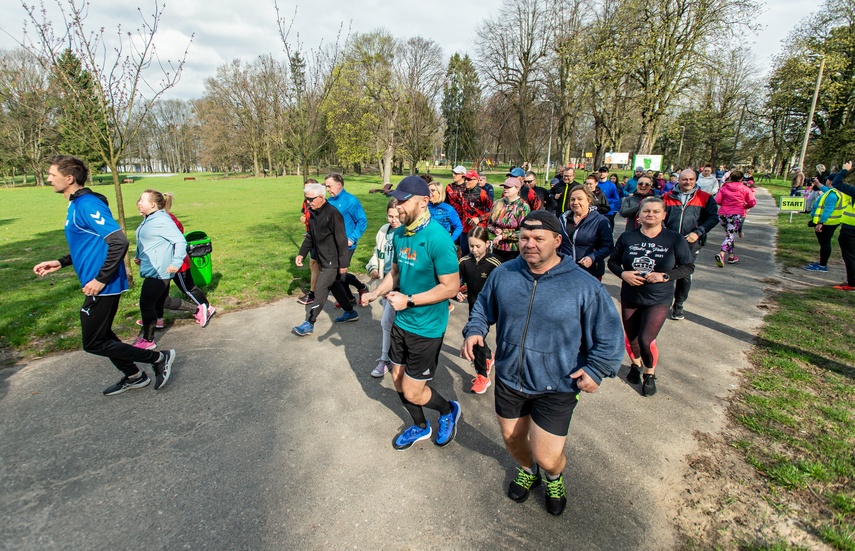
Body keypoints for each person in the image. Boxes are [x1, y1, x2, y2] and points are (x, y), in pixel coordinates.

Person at [461, 210, 623, 516]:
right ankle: (528, 471)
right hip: (510, 377)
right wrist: (474, 331)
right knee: (513, 440)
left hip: (557, 384)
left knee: (548, 456)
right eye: (524, 237)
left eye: (538, 238)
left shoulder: (583, 286)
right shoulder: (504, 274)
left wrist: (597, 369)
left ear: (557, 241)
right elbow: (482, 307)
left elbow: (610, 335)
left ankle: (551, 476)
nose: (529, 244)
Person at [33, 155, 174, 395]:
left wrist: (100, 279)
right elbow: (88, 243)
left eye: (51, 175)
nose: (48, 179)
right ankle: (134, 375)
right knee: (103, 334)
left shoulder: (87, 204)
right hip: (96, 281)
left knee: (94, 342)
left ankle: (158, 358)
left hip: (104, 284)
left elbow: (118, 241)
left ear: (69, 178)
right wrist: (61, 261)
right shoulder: (76, 204)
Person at [361, 176, 461, 450]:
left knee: (413, 390)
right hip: (402, 321)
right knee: (397, 379)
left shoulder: (438, 239)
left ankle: (448, 410)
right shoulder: (400, 233)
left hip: (427, 327)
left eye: (404, 201)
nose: (399, 206)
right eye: (398, 199)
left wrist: (410, 300)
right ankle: (420, 427)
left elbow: (450, 287)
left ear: (424, 201)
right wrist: (375, 292)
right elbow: (395, 273)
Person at [608, 196, 695, 396]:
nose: (651, 214)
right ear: (639, 215)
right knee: (632, 337)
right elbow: (612, 261)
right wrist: (623, 274)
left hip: (658, 298)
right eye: (646, 211)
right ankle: (635, 365)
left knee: (647, 339)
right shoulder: (628, 237)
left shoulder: (674, 239)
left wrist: (665, 276)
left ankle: (649, 373)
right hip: (630, 295)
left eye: (656, 211)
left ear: (664, 215)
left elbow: (688, 267)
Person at [293, 183, 358, 336]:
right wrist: (301, 253)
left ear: (321, 198)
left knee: (320, 290)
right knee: (335, 286)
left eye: (311, 199)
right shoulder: (314, 213)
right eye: (306, 199)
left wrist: (343, 264)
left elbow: (342, 240)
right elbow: (311, 236)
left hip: (332, 262)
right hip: (322, 260)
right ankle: (350, 312)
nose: (308, 202)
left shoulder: (332, 213)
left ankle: (309, 323)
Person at [132, 189, 188, 350]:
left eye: (141, 200)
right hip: (154, 267)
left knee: (146, 304)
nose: (138, 203)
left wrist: (176, 263)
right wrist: (140, 257)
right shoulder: (150, 219)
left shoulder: (162, 220)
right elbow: (149, 241)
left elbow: (180, 242)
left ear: (152, 204)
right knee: (164, 301)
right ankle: (199, 308)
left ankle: (148, 340)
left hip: (160, 270)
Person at [662, 169, 719, 320]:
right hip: (670, 240)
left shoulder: (705, 198)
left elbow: (713, 218)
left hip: (691, 241)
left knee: (684, 272)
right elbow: (659, 215)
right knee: (665, 270)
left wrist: (698, 232)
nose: (688, 182)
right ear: (678, 180)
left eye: (691, 179)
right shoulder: (667, 197)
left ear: (695, 180)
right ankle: (663, 303)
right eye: (684, 179)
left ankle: (679, 305)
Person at [456, 226, 501, 394]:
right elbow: (455, 283)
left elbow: (502, 287)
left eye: (478, 246)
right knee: (475, 338)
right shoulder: (464, 262)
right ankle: (486, 363)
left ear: (487, 244)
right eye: (471, 246)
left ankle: (483, 372)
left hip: (492, 307)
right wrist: (456, 294)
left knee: (475, 339)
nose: (474, 250)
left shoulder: (495, 264)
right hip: (474, 307)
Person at [161, 193, 216, 327]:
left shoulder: (167, 220)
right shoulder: (168, 217)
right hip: (168, 261)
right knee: (161, 292)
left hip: (177, 262)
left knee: (188, 288)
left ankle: (206, 308)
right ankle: (156, 319)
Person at [365, 199, 402, 377]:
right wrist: (372, 267)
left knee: (387, 322)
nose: (393, 220)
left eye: (396, 216)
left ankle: (386, 359)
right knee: (389, 323)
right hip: (385, 284)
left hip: (401, 286)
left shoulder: (406, 234)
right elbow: (376, 253)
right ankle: (387, 359)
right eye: (390, 216)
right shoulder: (383, 231)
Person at [325, 172, 368, 306]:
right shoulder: (329, 201)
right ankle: (351, 296)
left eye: (329, 186)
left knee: (339, 275)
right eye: (326, 186)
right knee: (337, 274)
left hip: (347, 245)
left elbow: (362, 221)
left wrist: (352, 238)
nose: (328, 189)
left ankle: (357, 291)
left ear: (339, 185)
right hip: (333, 245)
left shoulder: (351, 201)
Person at [558, 186, 613, 281]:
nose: (575, 202)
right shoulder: (563, 219)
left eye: (580, 199)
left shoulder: (600, 220)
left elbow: (608, 246)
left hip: (590, 272)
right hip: (566, 270)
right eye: (572, 199)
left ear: (589, 201)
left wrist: (592, 257)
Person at [805, 173, 847, 273]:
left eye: (828, 180)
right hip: (833, 222)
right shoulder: (837, 192)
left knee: (825, 243)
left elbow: (828, 209)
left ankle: (822, 265)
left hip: (827, 223)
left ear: (830, 182)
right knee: (824, 243)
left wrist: (820, 223)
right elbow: (825, 190)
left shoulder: (832, 195)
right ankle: (821, 262)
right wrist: (817, 183)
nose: (826, 181)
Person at [714, 170, 756, 267]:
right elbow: (752, 202)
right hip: (736, 214)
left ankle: (731, 256)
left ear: (731, 178)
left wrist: (725, 204)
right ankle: (722, 253)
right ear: (742, 178)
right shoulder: (745, 189)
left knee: (729, 234)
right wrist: (744, 206)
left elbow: (717, 200)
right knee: (730, 235)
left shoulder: (724, 188)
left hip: (723, 214)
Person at [448, 169, 493, 256]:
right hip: (464, 228)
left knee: (478, 254)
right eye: (465, 179)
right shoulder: (463, 193)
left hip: (478, 229)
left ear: (476, 180)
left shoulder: (482, 193)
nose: (466, 181)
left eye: (469, 179)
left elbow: (493, 210)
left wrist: (479, 218)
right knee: (464, 253)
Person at [487, 177, 531, 263]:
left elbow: (524, 231)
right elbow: (489, 224)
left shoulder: (523, 206)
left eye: (509, 187)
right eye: (504, 187)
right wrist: (495, 230)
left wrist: (503, 235)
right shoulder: (497, 203)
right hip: (497, 248)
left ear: (517, 189)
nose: (505, 189)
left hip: (514, 250)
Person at [831, 161, 855, 291]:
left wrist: (845, 170)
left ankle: (852, 283)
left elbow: (837, 184)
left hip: (851, 229)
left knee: (850, 256)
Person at [297, 178, 322, 306]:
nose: (307, 191)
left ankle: (313, 294)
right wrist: (303, 220)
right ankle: (314, 292)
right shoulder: (305, 203)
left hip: (319, 239)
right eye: (305, 188)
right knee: (314, 264)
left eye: (310, 188)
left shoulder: (321, 205)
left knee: (318, 265)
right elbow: (304, 215)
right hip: (310, 237)